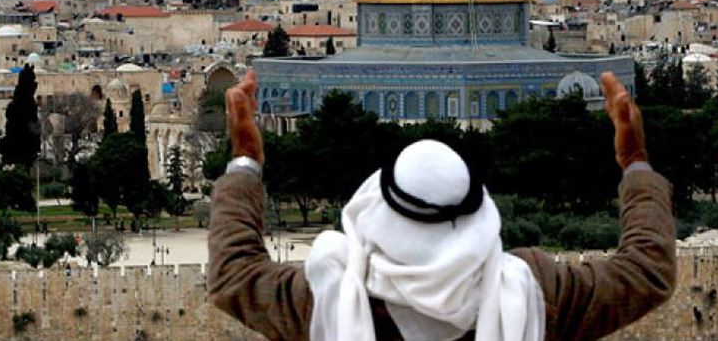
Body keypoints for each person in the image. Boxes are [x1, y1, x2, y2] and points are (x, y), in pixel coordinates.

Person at [209, 70, 675, 341]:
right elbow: (646, 271)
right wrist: (635, 162)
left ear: (380, 212)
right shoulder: (532, 293)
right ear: (475, 215)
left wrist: (246, 160)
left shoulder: (330, 297)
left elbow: (234, 275)